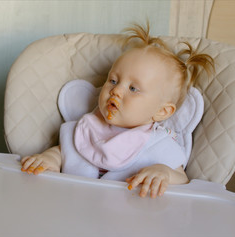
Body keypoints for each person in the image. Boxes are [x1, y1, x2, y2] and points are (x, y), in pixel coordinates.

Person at [21, 22, 214, 198]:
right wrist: (50, 159)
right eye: (113, 80)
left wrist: (164, 173)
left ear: (162, 112)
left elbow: (183, 180)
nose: (116, 90)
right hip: (75, 210)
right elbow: (65, 151)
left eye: (133, 89)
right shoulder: (86, 128)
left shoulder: (159, 144)